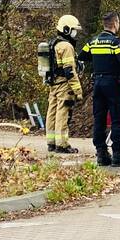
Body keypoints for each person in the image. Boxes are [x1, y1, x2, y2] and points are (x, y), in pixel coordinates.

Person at [80, 12, 120, 167]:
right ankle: (118, 154)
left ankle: (101, 153)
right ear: (115, 23)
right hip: (113, 83)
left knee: (99, 118)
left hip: (97, 83)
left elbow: (82, 56)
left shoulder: (94, 41)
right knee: (117, 118)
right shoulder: (115, 42)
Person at [45, 15, 84, 153]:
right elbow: (69, 71)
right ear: (67, 30)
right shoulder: (66, 46)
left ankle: (51, 142)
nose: (75, 33)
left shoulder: (53, 43)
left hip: (54, 84)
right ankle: (62, 144)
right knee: (63, 113)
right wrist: (78, 90)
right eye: (74, 30)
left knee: (52, 112)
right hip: (64, 85)